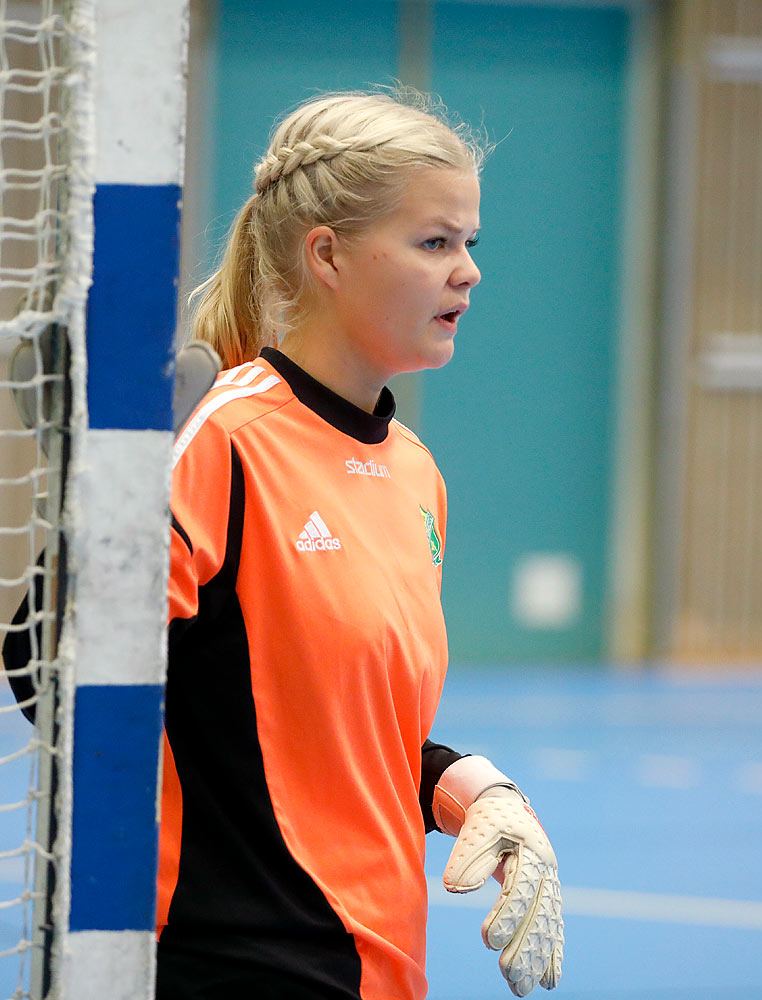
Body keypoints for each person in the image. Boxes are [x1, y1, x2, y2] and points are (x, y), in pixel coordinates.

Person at [164, 89, 562, 1000]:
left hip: (379, 961)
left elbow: (334, 726)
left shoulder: (416, 471)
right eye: (434, 243)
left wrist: (471, 787)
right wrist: (102, 509)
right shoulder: (222, 441)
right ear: (328, 254)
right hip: (238, 961)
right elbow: (46, 665)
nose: (467, 271)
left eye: (470, 244)